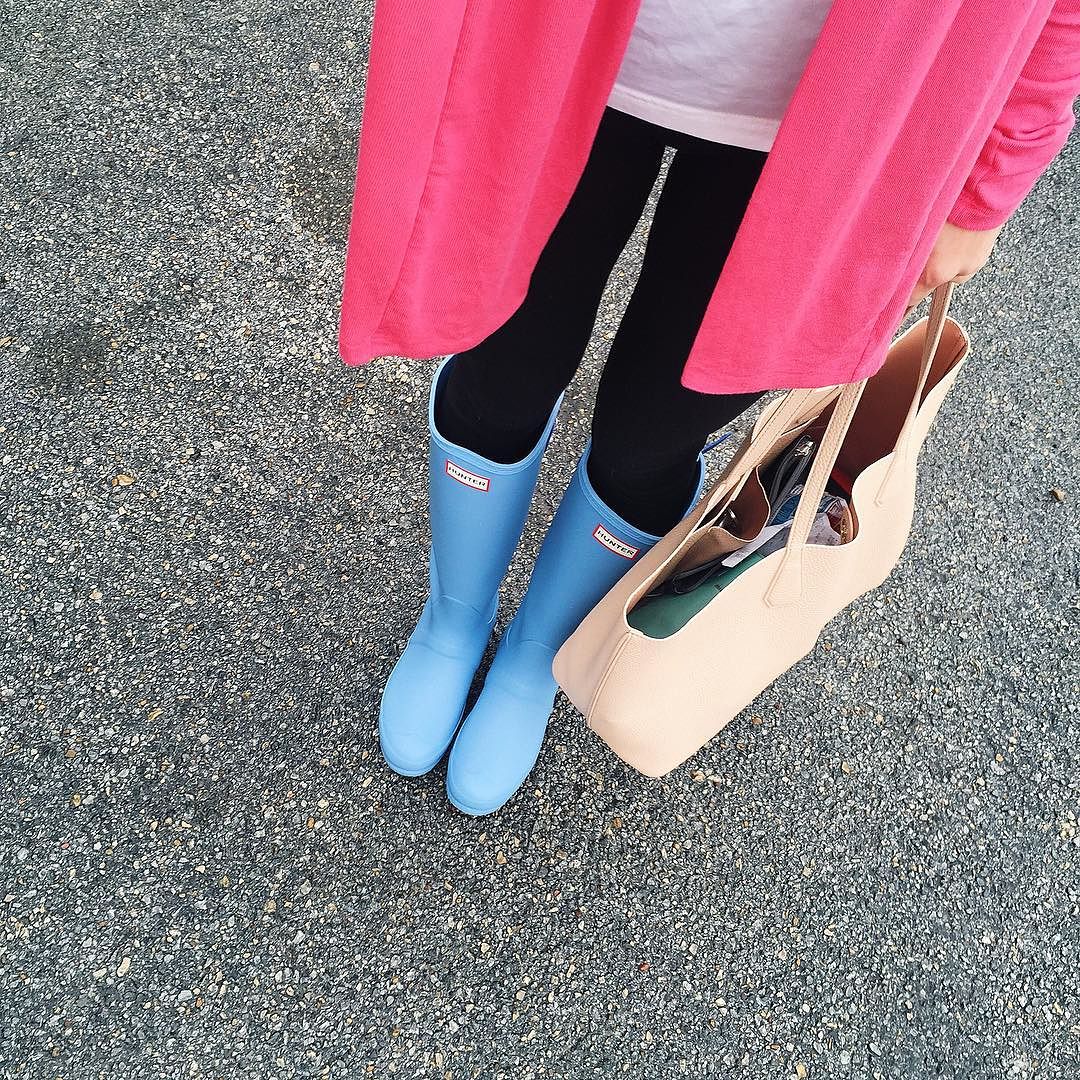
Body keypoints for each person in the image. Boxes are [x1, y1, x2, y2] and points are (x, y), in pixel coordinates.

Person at [339, 1, 1080, 815]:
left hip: (840, 106)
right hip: (554, 34)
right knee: (498, 366)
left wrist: (992, 178)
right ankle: (453, 619)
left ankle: (534, 657)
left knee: (653, 432)